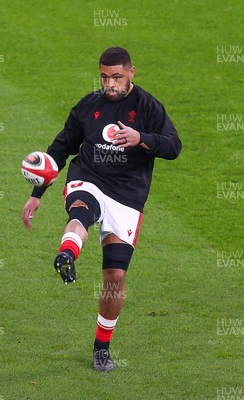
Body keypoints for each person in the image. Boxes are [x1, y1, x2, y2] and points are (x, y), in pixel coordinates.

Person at [21, 47, 181, 372]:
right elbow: (59, 150)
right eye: (105, 77)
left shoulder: (148, 107)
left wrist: (142, 138)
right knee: (82, 209)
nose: (110, 84)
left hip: (127, 196)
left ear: (131, 73)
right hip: (88, 178)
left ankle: (101, 346)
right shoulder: (88, 106)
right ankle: (67, 254)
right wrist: (38, 193)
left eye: (117, 78)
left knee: (115, 275)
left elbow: (173, 146)